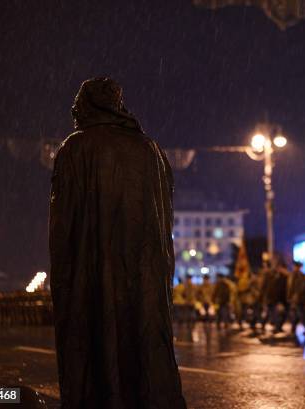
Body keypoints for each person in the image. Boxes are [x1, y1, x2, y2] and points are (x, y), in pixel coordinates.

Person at [49, 78, 186, 409]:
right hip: (144, 272)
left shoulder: (76, 147)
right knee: (142, 339)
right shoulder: (149, 149)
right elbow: (165, 217)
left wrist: (67, 271)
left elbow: (63, 224)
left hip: (91, 268)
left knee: (94, 338)